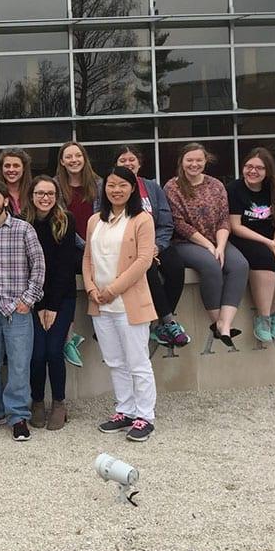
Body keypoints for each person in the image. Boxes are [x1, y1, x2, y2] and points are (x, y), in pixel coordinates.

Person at [84, 166, 159, 442]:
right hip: (100, 304)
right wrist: (92, 288)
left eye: (122, 185)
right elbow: (88, 258)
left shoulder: (141, 219)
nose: (116, 190)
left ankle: (145, 416)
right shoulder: (95, 220)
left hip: (128, 302)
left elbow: (143, 261)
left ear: (132, 189)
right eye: (111, 185)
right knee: (115, 361)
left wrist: (112, 290)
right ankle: (125, 410)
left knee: (137, 361)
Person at [0, 180, 45, 442]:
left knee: (18, 365)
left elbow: (38, 266)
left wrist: (28, 299)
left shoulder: (23, 229)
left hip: (17, 308)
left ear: (5, 200)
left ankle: (18, 416)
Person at [164, 143, 249, 347]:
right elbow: (178, 224)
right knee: (211, 265)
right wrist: (208, 247)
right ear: (182, 162)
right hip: (185, 242)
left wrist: (220, 245)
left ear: (205, 161)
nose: (194, 164)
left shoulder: (216, 185)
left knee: (239, 265)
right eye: (190, 160)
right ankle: (216, 321)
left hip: (216, 238)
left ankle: (225, 324)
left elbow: (223, 219)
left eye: (199, 160)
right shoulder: (172, 187)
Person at [113, 145, 190, 348]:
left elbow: (166, 222)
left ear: (139, 163)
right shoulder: (110, 187)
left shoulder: (152, 187)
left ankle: (161, 325)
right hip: (129, 249)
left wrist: (157, 246)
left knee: (175, 268)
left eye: (132, 160)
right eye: (123, 160)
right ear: (116, 164)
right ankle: (168, 322)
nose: (128, 164)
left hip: (157, 244)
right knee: (149, 269)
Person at [228, 147, 275, 344]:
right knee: (264, 257)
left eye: (259, 168)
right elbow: (235, 227)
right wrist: (268, 242)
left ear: (267, 171)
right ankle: (263, 318)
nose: (253, 171)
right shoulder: (234, 189)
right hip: (246, 237)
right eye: (248, 166)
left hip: (274, 235)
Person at [24, 176, 80, 430]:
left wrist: (52, 306)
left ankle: (59, 402)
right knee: (36, 354)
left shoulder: (65, 221)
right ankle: (36, 401)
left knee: (54, 351)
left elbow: (65, 266)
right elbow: (25, 266)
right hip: (32, 298)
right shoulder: (23, 222)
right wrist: (39, 304)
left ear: (56, 196)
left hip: (62, 297)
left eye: (50, 193)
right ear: (32, 195)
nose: (45, 198)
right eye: (40, 193)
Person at [55, 141, 100, 366]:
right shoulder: (55, 186)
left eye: (78, 156)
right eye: (68, 157)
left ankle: (101, 330)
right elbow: (62, 222)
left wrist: (94, 247)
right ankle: (69, 335)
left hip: (98, 245)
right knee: (65, 278)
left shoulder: (99, 184)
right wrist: (86, 247)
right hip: (70, 247)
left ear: (84, 158)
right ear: (62, 161)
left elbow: (105, 218)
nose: (74, 160)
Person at [0, 147, 33, 216]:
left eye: (16, 166)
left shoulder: (33, 192)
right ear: (1, 168)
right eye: (7, 166)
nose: (11, 169)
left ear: (24, 168)